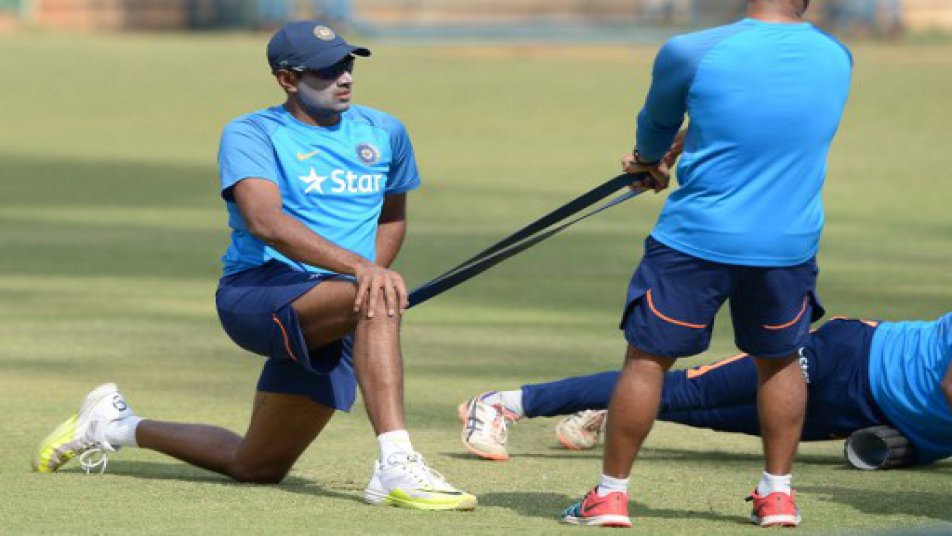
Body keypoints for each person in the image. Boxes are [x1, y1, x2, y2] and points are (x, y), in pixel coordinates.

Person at [31, 20, 476, 512]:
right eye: (326, 71)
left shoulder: (385, 131)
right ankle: (396, 464)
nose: (344, 77)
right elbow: (265, 221)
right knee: (375, 301)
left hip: (336, 305)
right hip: (258, 294)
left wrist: (370, 272)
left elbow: (392, 218)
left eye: (347, 65)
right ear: (288, 79)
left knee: (257, 466)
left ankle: (113, 425)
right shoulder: (251, 133)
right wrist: (363, 276)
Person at [558, 0, 853, 528]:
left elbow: (657, 123)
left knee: (646, 362)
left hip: (695, 240)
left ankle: (609, 496)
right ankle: (778, 496)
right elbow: (760, 121)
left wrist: (648, 160)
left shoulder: (690, 51)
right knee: (782, 361)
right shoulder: (837, 55)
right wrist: (685, 141)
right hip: (788, 245)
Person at [459, 314, 952, 469]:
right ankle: (504, 403)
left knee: (703, 412)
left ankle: (607, 407)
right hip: (849, 357)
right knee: (683, 390)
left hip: (874, 413)